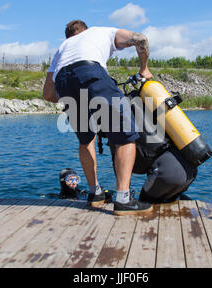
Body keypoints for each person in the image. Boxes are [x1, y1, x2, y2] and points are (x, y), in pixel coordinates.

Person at [43, 20, 153, 216]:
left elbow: (48, 95)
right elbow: (141, 39)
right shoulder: (101, 32)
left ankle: (95, 194)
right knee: (126, 135)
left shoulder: (62, 49)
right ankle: (124, 199)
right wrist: (143, 69)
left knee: (86, 140)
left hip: (63, 81)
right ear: (85, 31)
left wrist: (73, 95)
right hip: (91, 71)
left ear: (69, 37)